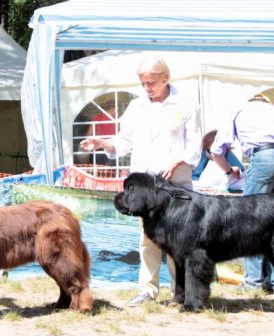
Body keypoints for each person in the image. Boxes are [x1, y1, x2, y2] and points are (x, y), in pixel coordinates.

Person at [79, 57, 202, 306]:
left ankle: (180, 292)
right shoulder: (136, 107)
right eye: (143, 83)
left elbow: (195, 146)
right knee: (148, 239)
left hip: (175, 185)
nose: (147, 87)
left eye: (151, 83)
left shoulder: (187, 105)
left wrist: (179, 160)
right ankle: (147, 289)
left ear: (165, 78)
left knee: (178, 241)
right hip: (145, 187)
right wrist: (103, 144)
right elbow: (124, 142)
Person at [210, 93, 274, 294]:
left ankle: (253, 282)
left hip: (265, 155)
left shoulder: (238, 110)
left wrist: (228, 171)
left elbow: (216, 150)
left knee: (250, 221)